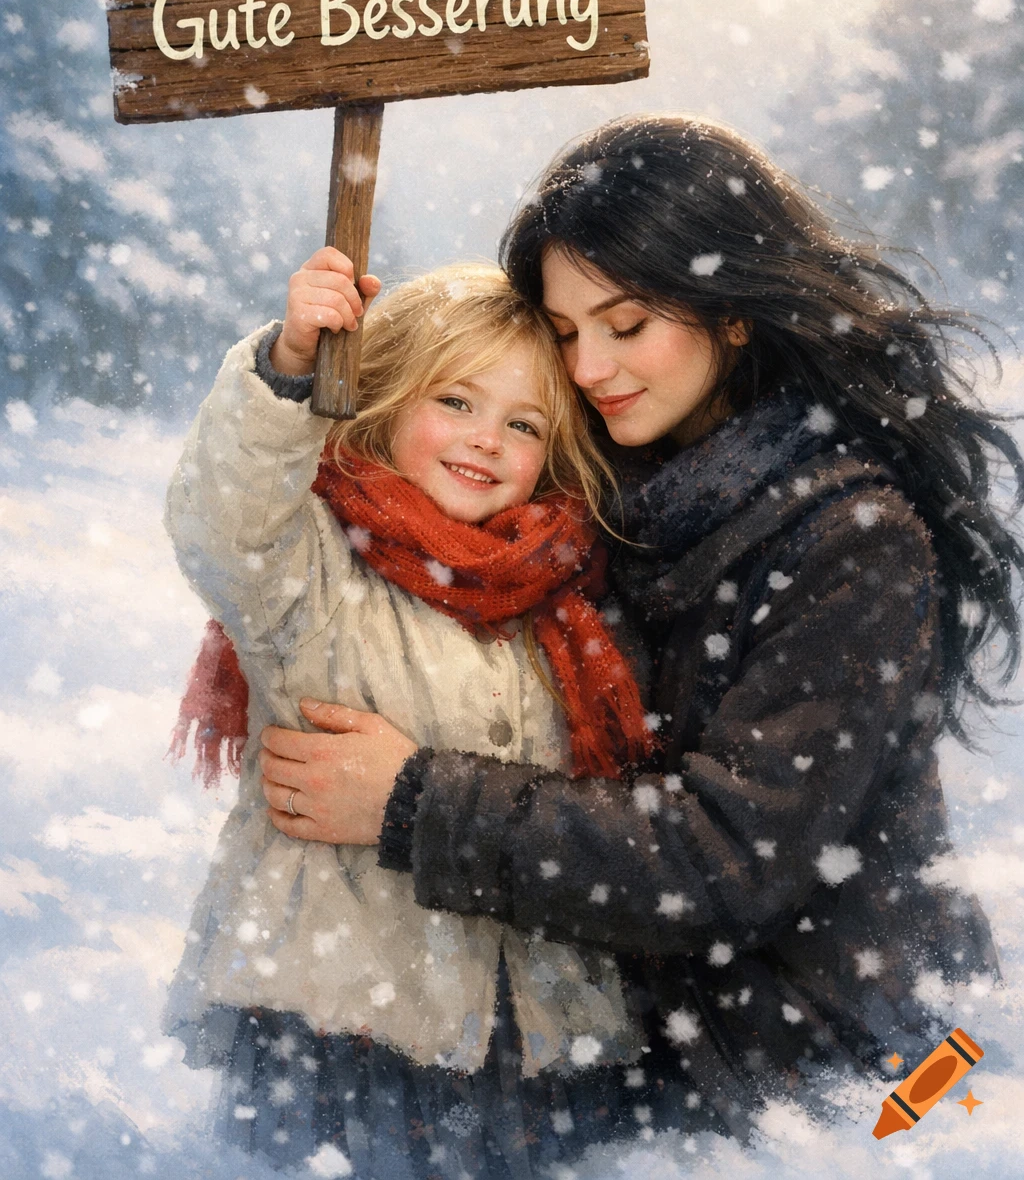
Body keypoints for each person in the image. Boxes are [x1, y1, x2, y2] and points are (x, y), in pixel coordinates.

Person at [260, 114, 1023, 1145]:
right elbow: (346, 514)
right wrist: (296, 375)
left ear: (732, 313)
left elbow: (728, 859)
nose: (589, 368)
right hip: (652, 1067)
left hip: (864, 1091)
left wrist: (414, 803)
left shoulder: (852, 541)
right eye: (566, 333)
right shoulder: (584, 503)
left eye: (624, 325)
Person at [163, 252, 659, 1177]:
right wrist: (290, 368)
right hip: (336, 1021)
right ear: (386, 403)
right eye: (456, 402)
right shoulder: (312, 568)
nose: (487, 440)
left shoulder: (556, 601)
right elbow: (226, 519)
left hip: (520, 1037)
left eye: (523, 423)